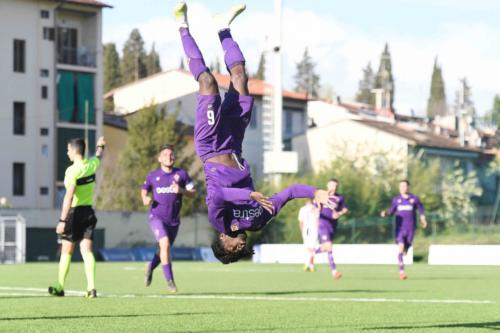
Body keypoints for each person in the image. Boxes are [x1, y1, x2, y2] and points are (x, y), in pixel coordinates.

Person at [174, 2, 335, 264]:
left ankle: (182, 26)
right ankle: (223, 27)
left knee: (207, 82)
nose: (242, 246)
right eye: (241, 251)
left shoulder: (220, 220)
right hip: (234, 142)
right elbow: (290, 192)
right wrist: (314, 192)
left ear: (224, 241)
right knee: (239, 77)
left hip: (211, 144)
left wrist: (248, 195)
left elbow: (218, 195)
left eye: (235, 250)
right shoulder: (258, 219)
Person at [48, 137, 106, 298]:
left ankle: (60, 286)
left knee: (67, 250)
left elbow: (68, 197)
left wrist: (62, 220)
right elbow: (99, 155)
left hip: (74, 214)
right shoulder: (92, 164)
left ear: (74, 151)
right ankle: (91, 288)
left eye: (68, 150)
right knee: (86, 250)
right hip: (88, 212)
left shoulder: (72, 171)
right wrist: (101, 144)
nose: (67, 153)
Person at [141, 144, 196, 293]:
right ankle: (170, 282)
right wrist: (145, 198)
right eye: (165, 154)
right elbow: (144, 190)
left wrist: (181, 190)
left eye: (171, 154)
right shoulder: (153, 176)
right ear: (159, 158)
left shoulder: (182, 174)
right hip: (156, 217)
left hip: (174, 221)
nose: (169, 157)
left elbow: (193, 193)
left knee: (162, 251)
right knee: (164, 245)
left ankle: (150, 266)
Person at [381, 179, 427, 280]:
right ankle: (402, 271)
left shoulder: (414, 199)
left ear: (408, 187)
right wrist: (386, 213)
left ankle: (405, 251)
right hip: (399, 229)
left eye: (404, 186)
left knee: (406, 249)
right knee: (401, 248)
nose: (402, 188)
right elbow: (392, 211)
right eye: (401, 186)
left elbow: (421, 209)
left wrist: (423, 219)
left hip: (411, 229)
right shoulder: (396, 200)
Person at [317, 179, 348, 280]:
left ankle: (312, 253)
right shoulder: (322, 195)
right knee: (329, 247)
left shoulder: (339, 198)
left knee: (326, 247)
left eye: (335, 185)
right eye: (332, 185)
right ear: (327, 185)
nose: (333, 187)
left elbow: (345, 209)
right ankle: (334, 271)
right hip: (323, 223)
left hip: (333, 225)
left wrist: (338, 213)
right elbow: (315, 206)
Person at [298, 199, 319, 272]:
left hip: (306, 229)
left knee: (307, 248)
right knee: (312, 248)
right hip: (314, 229)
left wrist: (302, 231)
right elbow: (318, 220)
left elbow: (301, 222)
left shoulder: (302, 209)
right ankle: (311, 265)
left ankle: (307, 264)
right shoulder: (315, 209)